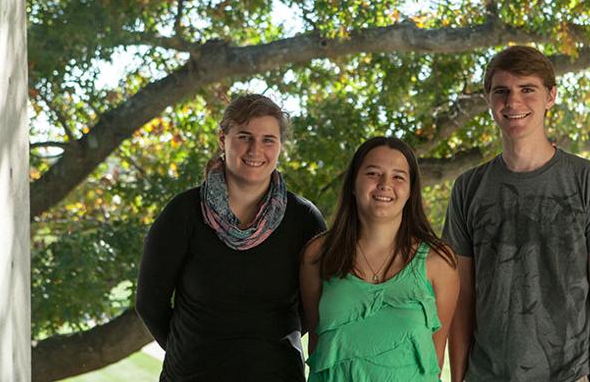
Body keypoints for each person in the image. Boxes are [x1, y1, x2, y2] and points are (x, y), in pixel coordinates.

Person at [443, 46, 590, 382]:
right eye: (501, 91)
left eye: (527, 89)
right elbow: (463, 297)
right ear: (488, 99)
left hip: (568, 375)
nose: (513, 102)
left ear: (550, 96)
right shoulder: (467, 188)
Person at [136, 94, 326, 381]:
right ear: (222, 138)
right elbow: (150, 303)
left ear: (280, 147)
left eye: (268, 140)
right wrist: (190, 350)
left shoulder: (304, 220)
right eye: (245, 136)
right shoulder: (184, 212)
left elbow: (314, 306)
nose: (255, 149)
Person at [300, 136, 459, 381]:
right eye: (373, 173)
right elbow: (318, 349)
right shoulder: (319, 254)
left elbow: (433, 363)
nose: (385, 184)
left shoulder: (439, 262)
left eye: (398, 177)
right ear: (353, 183)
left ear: (410, 191)